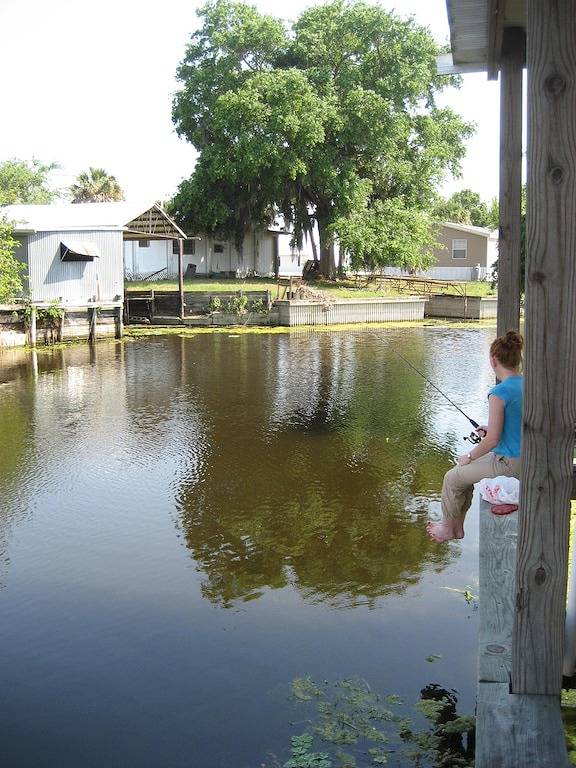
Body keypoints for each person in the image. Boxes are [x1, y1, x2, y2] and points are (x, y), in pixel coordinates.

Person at [427, 330, 523, 543]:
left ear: (494, 360)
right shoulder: (527, 385)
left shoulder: (499, 393)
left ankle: (448, 527)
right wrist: (490, 428)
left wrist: (469, 456)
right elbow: (517, 424)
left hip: (510, 464)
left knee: (452, 478)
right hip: (526, 457)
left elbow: (492, 441)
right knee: (464, 475)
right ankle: (457, 528)